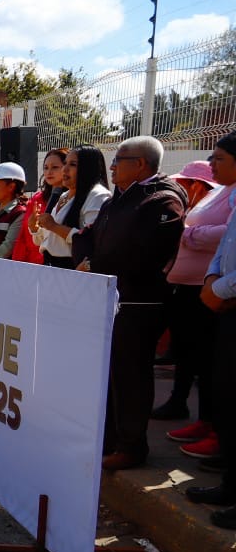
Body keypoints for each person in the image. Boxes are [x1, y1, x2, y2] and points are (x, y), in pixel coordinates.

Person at [74, 136, 186, 472]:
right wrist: (87, 260)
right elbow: (86, 236)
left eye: (119, 159)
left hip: (139, 303)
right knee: (109, 375)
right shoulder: (119, 200)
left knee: (131, 376)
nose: (112, 166)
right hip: (108, 298)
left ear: (140, 164)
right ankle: (108, 439)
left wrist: (96, 265)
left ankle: (132, 446)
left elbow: (144, 255)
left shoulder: (162, 202)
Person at [155, 156, 234, 458]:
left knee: (208, 360)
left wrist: (186, 234)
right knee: (188, 352)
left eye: (187, 183)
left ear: (197, 184)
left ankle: (213, 425)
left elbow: (222, 236)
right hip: (188, 286)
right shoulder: (216, 196)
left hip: (209, 291)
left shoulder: (226, 196)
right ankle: (189, 410)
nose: (182, 187)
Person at [184, 131, 236, 528]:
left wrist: (219, 288)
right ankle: (229, 483)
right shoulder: (233, 199)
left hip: (227, 298)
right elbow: (223, 251)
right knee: (222, 385)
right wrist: (214, 279)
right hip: (221, 299)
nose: (212, 164)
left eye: (219, 157)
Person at [33, 146, 110, 269]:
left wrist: (54, 226)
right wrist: (35, 228)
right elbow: (48, 239)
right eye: (64, 163)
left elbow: (91, 240)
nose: (65, 169)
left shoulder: (98, 196)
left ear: (88, 168)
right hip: (49, 266)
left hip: (71, 268)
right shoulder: (63, 195)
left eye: (73, 164)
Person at [13, 149, 67, 264]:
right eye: (46, 167)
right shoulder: (37, 198)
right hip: (30, 265)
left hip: (57, 265)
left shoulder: (72, 199)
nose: (49, 172)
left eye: (55, 167)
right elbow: (24, 235)